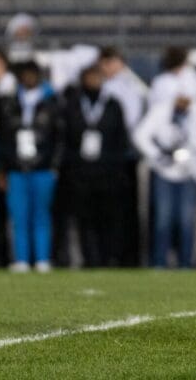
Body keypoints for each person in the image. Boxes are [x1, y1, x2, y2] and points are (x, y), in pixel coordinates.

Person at [135, 92, 196, 268]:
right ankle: (159, 263)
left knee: (188, 221)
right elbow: (140, 135)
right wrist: (158, 155)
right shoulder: (161, 111)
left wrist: (191, 140)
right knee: (163, 220)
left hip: (192, 172)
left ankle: (186, 264)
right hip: (165, 171)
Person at [0, 62, 63, 273]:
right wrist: (5, 165)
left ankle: (42, 258)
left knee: (41, 214)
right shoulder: (10, 102)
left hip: (43, 167)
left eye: (31, 74)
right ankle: (22, 259)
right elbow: (4, 138)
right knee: (19, 215)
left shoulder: (52, 102)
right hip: (17, 168)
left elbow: (59, 137)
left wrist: (54, 166)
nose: (28, 78)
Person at [63, 64, 128, 267]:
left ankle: (108, 257)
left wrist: (116, 168)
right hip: (81, 173)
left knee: (108, 219)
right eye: (90, 78)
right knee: (84, 220)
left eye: (97, 78)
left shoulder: (112, 105)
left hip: (107, 173)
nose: (94, 82)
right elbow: (66, 139)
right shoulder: (73, 105)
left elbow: (120, 139)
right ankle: (88, 258)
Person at [98, 47, 148, 266]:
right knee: (115, 209)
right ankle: (119, 254)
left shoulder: (126, 85)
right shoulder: (128, 83)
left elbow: (130, 119)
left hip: (123, 153)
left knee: (123, 209)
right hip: (117, 153)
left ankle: (125, 256)